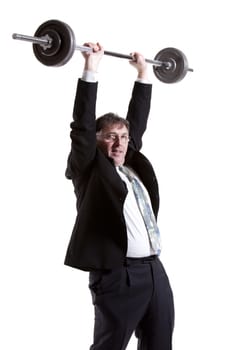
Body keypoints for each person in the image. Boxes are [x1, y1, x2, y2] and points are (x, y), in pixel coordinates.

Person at [64, 42, 175, 350]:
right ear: (96, 141)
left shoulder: (131, 163)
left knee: (160, 345)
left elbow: (136, 121)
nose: (119, 143)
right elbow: (82, 127)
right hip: (118, 276)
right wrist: (91, 68)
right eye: (110, 136)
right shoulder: (89, 168)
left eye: (123, 137)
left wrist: (143, 73)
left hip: (155, 271)